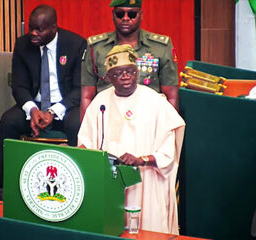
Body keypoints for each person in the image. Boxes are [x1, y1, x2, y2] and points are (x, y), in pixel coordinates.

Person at [78, 44, 185, 234]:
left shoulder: (155, 102)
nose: (125, 77)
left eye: (129, 71)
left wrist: (142, 159)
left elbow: (168, 151)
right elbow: (85, 144)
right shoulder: (100, 103)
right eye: (118, 74)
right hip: (111, 183)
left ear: (137, 72)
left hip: (147, 180)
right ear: (109, 77)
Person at [0, 4, 87, 197]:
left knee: (78, 124)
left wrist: (53, 112)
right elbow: (19, 86)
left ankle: (77, 186)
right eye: (31, 28)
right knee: (8, 121)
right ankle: (4, 186)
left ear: (54, 28)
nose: (33, 34)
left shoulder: (76, 44)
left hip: (65, 106)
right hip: (34, 104)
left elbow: (80, 88)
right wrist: (32, 110)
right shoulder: (22, 45)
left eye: (39, 29)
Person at [81, 0, 179, 120]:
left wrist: (169, 131)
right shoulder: (96, 48)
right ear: (113, 15)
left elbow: (171, 96)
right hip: (109, 117)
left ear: (141, 15)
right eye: (120, 14)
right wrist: (87, 133)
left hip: (148, 117)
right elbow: (87, 96)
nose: (126, 18)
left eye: (132, 14)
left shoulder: (160, 47)